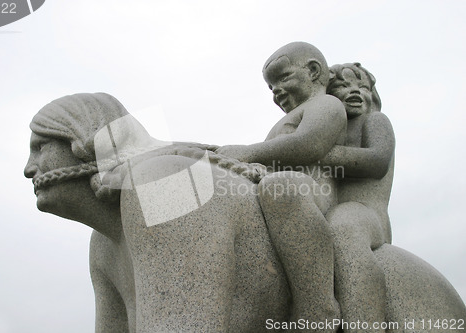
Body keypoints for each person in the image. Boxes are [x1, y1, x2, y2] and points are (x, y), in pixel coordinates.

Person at [24, 92, 292, 332]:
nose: (28, 169)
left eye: (40, 148)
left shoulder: (161, 180)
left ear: (83, 141)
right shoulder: (103, 241)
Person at [217, 41, 345, 331]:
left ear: (313, 71)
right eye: (270, 86)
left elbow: (309, 144)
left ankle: (318, 306)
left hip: (310, 193)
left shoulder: (326, 105)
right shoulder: (284, 121)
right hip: (272, 193)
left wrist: (248, 152)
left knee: (281, 187)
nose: (275, 91)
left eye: (283, 78)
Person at [323, 62, 395, 332]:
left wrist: (313, 153)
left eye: (361, 86)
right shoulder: (330, 133)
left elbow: (377, 161)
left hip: (366, 214)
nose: (353, 91)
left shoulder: (375, 121)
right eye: (341, 86)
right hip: (328, 210)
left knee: (343, 227)